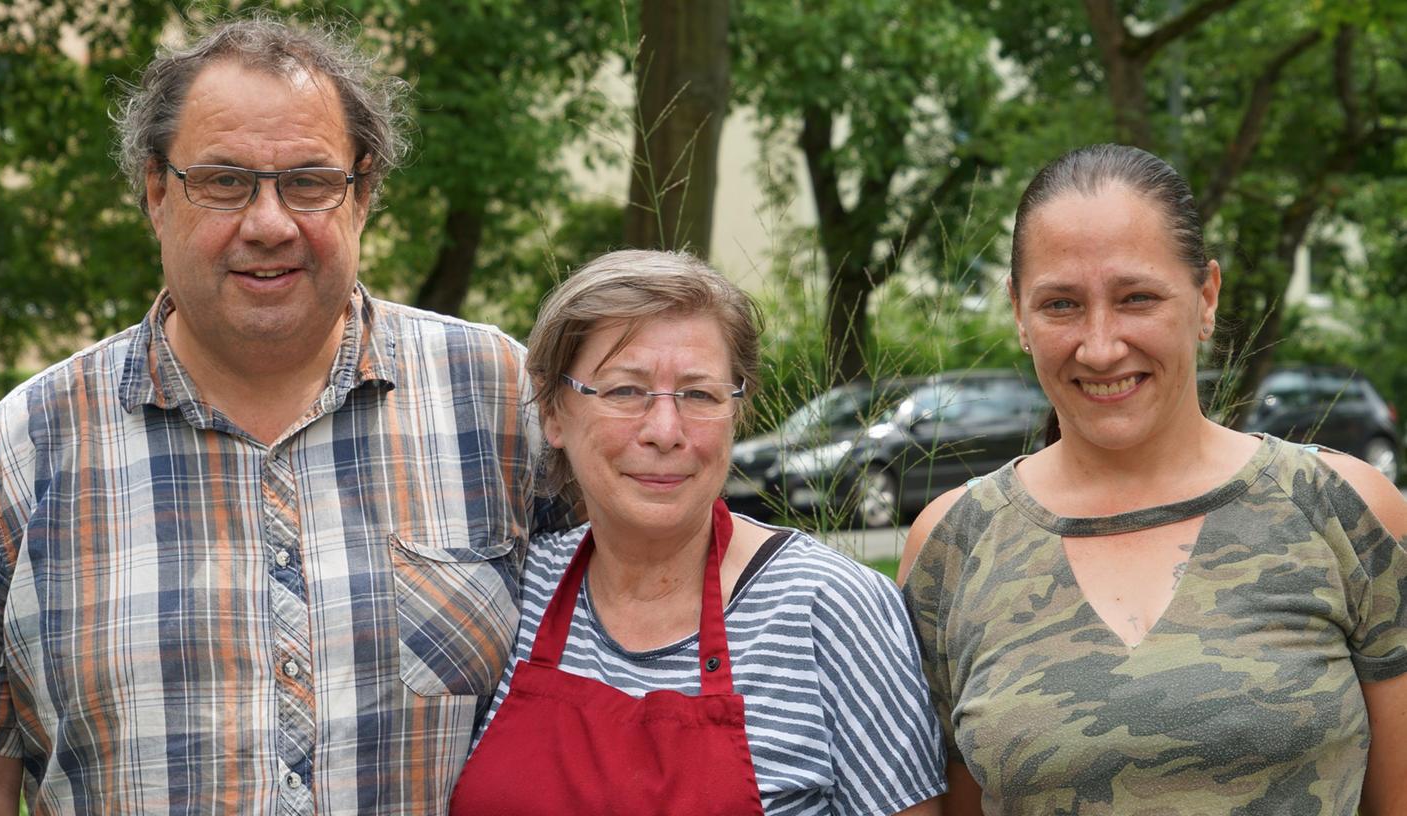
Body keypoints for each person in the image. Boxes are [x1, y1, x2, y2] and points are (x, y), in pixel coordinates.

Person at [0, 16, 551, 813]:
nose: (268, 223)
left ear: (363, 192)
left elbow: (643, 627)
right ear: (157, 191)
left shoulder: (501, 403)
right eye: (225, 181)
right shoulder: (30, 447)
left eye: (307, 181)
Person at [899, 143, 1407, 815]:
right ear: (1018, 313)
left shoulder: (1341, 508)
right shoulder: (953, 546)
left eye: (1136, 297)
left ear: (1205, 298)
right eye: (1060, 305)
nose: (1101, 345)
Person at [447, 249, 948, 815]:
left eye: (700, 395)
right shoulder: (515, 590)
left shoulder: (830, 606)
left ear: (738, 412)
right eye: (624, 391)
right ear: (554, 412)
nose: (665, 431)